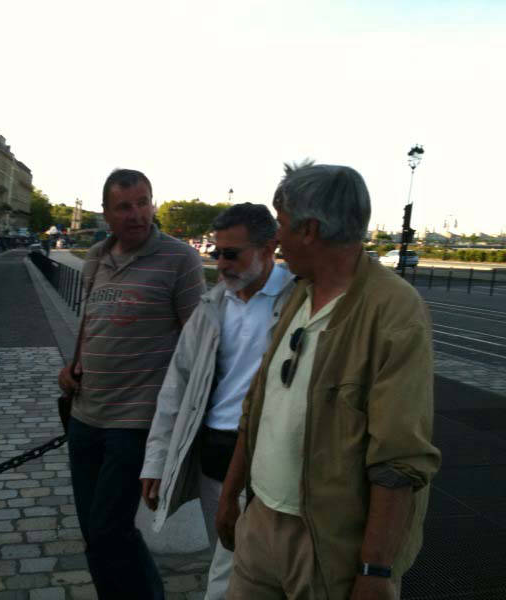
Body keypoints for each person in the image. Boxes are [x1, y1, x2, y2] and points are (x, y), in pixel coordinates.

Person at [217, 162, 441, 600]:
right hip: (261, 524)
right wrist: (231, 496)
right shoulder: (301, 291)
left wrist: (375, 571)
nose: (276, 238)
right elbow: (258, 405)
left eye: (281, 224)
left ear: (309, 230)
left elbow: (400, 458)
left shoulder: (394, 311)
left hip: (328, 547)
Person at [57, 169, 206, 600]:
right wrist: (73, 366)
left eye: (144, 202)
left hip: (136, 421)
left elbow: (198, 342)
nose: (137, 214)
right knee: (94, 532)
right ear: (106, 213)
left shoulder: (180, 259)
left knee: (110, 528)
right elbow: (90, 323)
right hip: (85, 415)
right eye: (125, 206)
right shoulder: (95, 257)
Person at [140, 203, 294, 599]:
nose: (221, 263)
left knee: (234, 577)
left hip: (270, 460)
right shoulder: (213, 305)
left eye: (231, 253)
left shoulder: (298, 300)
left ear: (268, 249)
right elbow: (177, 386)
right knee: (227, 558)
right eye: (216, 252)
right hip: (215, 456)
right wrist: (156, 461)